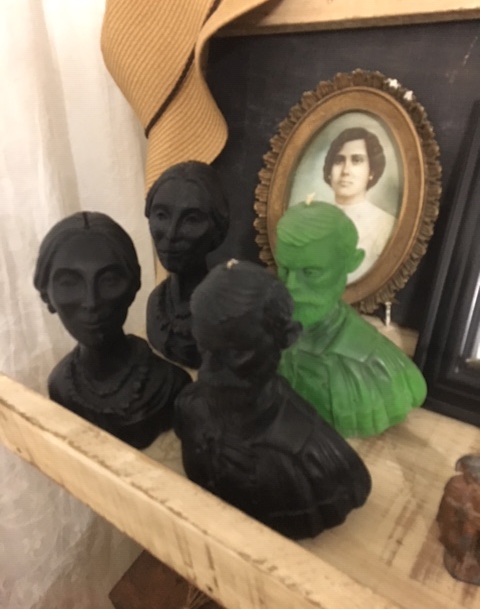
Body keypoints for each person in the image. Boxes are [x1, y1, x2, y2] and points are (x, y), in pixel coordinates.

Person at [175, 260, 371, 540]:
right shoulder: (189, 409)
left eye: (235, 353)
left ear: (286, 338)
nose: (208, 370)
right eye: (204, 348)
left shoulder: (316, 459)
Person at [34, 211, 191, 449]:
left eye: (109, 280)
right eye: (69, 283)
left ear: (133, 284)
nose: (91, 301)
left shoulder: (171, 384)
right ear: (46, 293)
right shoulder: (61, 385)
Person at [276, 200, 426, 438]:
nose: (291, 285)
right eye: (284, 269)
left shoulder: (384, 372)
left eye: (311, 272)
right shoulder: (269, 338)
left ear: (351, 262)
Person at [145, 160, 229, 368]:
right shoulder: (156, 303)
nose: (171, 234)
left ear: (217, 230)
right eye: (161, 215)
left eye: (191, 220)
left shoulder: (227, 314)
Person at [323, 126, 396, 282]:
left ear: (371, 172)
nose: (345, 170)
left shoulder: (386, 226)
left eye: (356, 160)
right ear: (329, 171)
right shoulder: (311, 219)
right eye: (338, 160)